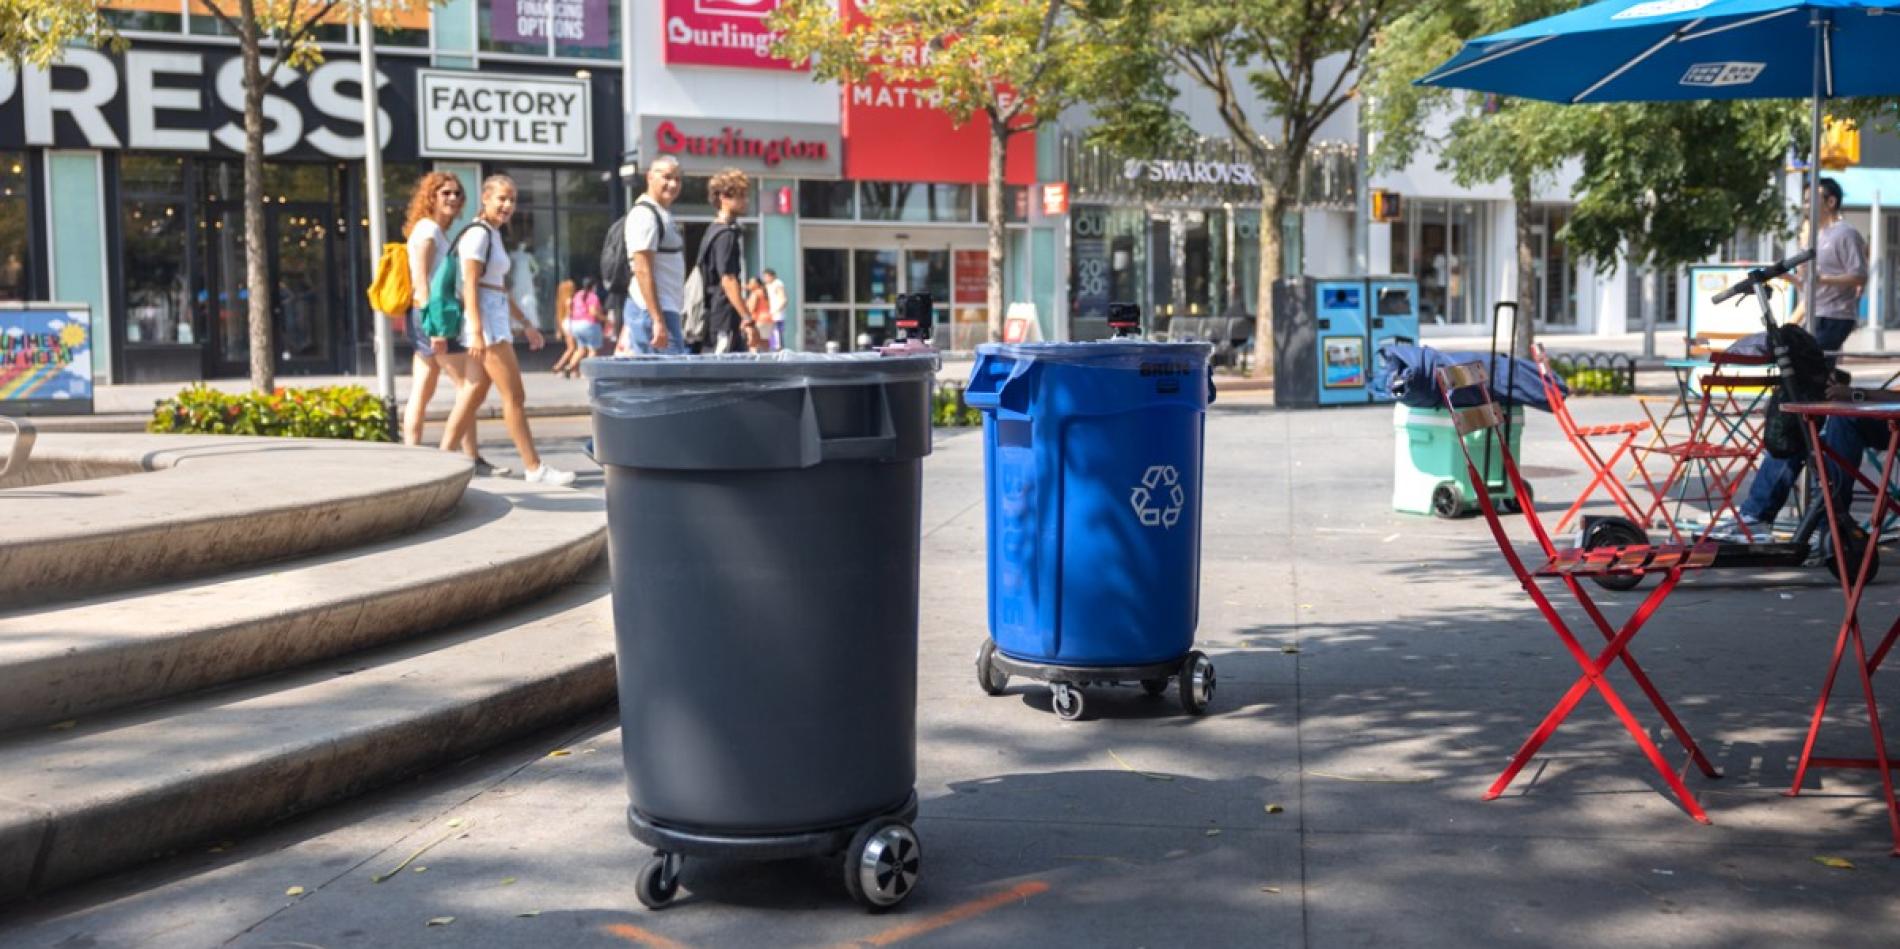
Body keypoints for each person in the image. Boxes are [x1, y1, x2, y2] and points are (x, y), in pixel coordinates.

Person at [440, 174, 576, 487]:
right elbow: (470, 285)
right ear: (485, 198)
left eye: (512, 200)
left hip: (493, 318)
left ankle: (442, 457)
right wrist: (475, 330)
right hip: (486, 324)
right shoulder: (478, 235)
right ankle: (534, 467)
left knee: (472, 393)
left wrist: (526, 323)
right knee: (514, 395)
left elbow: (499, 287)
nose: (507, 205)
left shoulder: (493, 234)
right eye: (501, 198)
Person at [398, 172, 506, 476]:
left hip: (429, 314)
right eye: (445, 193)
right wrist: (436, 328)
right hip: (434, 316)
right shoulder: (429, 230)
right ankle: (468, 457)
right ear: (430, 196)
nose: (453, 198)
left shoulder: (435, 230)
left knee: (424, 386)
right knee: (469, 387)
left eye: (457, 194)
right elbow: (421, 280)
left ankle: (413, 456)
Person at [622, 156, 687, 355]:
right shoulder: (645, 215)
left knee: (662, 381)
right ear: (650, 177)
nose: (673, 184)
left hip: (661, 310)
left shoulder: (662, 213)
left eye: (678, 178)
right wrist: (657, 320)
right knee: (671, 380)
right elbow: (642, 269)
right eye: (667, 177)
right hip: (654, 312)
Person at [1800, 177, 1868, 355]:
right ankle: (1836, 380)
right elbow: (1807, 279)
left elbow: (1860, 276)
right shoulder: (1815, 235)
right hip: (1814, 312)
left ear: (1830, 202)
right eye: (1805, 201)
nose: (1806, 206)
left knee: (1813, 366)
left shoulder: (1846, 233)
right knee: (1807, 367)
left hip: (1835, 315)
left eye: (1810, 200)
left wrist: (1822, 279)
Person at [699, 168, 752, 355]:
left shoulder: (713, 230)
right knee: (720, 371)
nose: (746, 201)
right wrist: (747, 317)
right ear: (723, 197)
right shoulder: (725, 235)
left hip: (717, 316)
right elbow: (728, 281)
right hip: (723, 319)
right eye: (741, 196)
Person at [558, 277, 606, 373]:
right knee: (593, 349)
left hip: (576, 325)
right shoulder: (593, 296)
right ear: (593, 286)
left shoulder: (577, 295)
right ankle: (589, 371)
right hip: (589, 325)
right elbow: (593, 312)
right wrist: (605, 319)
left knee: (581, 349)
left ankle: (569, 367)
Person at [762, 268, 787, 351]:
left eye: (766, 276)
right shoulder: (769, 285)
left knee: (777, 337)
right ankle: (774, 351)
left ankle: (778, 352)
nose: (765, 279)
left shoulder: (778, 284)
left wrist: (775, 311)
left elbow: (783, 300)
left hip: (777, 315)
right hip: (771, 315)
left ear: (772, 276)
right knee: (772, 336)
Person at [744, 277, 771, 352]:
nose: (749, 284)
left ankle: (754, 361)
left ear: (757, 284)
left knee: (753, 343)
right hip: (768, 319)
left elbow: (751, 308)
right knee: (765, 343)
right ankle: (767, 361)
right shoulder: (764, 292)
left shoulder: (755, 293)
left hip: (758, 320)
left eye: (751, 283)